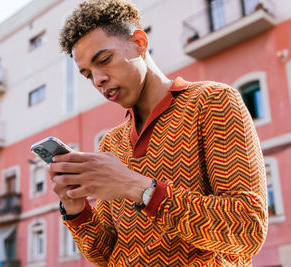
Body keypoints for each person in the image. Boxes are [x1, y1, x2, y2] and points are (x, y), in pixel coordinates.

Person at [50, 0, 268, 266]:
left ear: (140, 43)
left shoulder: (212, 102)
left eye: (104, 60)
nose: (98, 80)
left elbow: (247, 230)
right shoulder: (112, 142)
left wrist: (138, 188)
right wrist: (75, 208)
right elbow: (105, 255)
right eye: (87, 75)